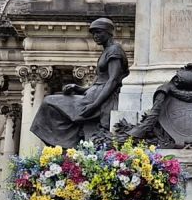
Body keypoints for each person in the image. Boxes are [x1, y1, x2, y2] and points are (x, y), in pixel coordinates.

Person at [29, 18, 127, 148]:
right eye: (93, 33)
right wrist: (78, 88)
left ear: (108, 32)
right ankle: (66, 144)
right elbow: (98, 83)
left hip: (99, 101)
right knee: (51, 104)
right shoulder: (107, 51)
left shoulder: (115, 50)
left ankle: (66, 143)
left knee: (49, 102)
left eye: (98, 32)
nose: (95, 36)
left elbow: (113, 80)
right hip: (92, 95)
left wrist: (95, 105)